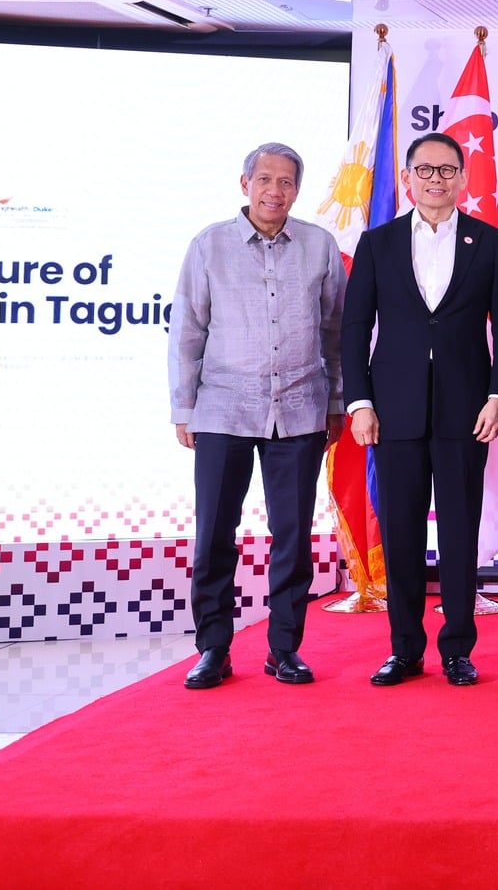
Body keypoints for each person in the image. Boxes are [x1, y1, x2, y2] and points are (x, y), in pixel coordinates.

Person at [343, 131, 498, 688]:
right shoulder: (379, 242)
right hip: (392, 412)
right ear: (408, 179)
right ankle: (404, 649)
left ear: (464, 179)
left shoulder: (491, 244)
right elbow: (354, 328)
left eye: (447, 170)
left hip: (467, 412)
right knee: (399, 533)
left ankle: (457, 650)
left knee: (461, 531)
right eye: (426, 170)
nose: (436, 179)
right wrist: (360, 402)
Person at [169, 143, 344, 690]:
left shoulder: (319, 246)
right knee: (215, 532)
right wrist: (183, 407)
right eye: (264, 179)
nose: (275, 190)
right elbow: (187, 332)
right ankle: (213, 649)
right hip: (222, 408)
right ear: (244, 183)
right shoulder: (209, 246)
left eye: (287, 182)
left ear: (297, 189)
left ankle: (284, 649)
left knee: (292, 535)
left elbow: (336, 334)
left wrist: (337, 401)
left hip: (300, 409)